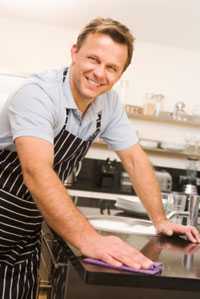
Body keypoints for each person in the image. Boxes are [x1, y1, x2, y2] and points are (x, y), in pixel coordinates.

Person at [0, 17, 199, 298]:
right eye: (93, 59)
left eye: (111, 68)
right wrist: (91, 241)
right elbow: (37, 172)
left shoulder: (109, 104)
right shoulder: (38, 95)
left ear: (120, 74)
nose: (99, 73)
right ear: (74, 52)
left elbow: (134, 159)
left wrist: (160, 219)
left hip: (25, 230)